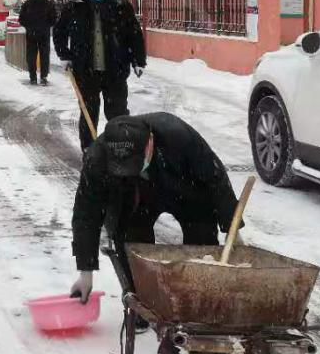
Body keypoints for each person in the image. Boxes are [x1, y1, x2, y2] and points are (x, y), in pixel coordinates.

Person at [70, 114, 241, 305]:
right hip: (135, 197)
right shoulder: (98, 157)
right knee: (132, 247)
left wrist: (232, 226)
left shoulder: (179, 137)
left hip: (187, 191)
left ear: (149, 142)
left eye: (134, 163)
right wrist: (86, 272)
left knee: (201, 249)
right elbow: (86, 214)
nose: (131, 169)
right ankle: (142, 300)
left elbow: (215, 179)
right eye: (123, 167)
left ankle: (198, 299)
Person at [53, 0, 147, 150]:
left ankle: (120, 147)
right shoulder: (75, 6)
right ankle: (89, 150)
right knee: (89, 112)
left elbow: (134, 35)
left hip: (115, 71)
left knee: (118, 114)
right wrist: (64, 55)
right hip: (85, 71)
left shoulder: (121, 6)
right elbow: (59, 31)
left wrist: (138, 60)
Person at [17, 0, 58, 85]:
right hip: (44, 33)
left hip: (31, 33)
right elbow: (54, 18)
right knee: (44, 55)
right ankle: (43, 77)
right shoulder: (48, 3)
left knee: (31, 55)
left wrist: (29, 26)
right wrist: (47, 25)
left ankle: (33, 77)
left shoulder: (27, 4)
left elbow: (21, 19)